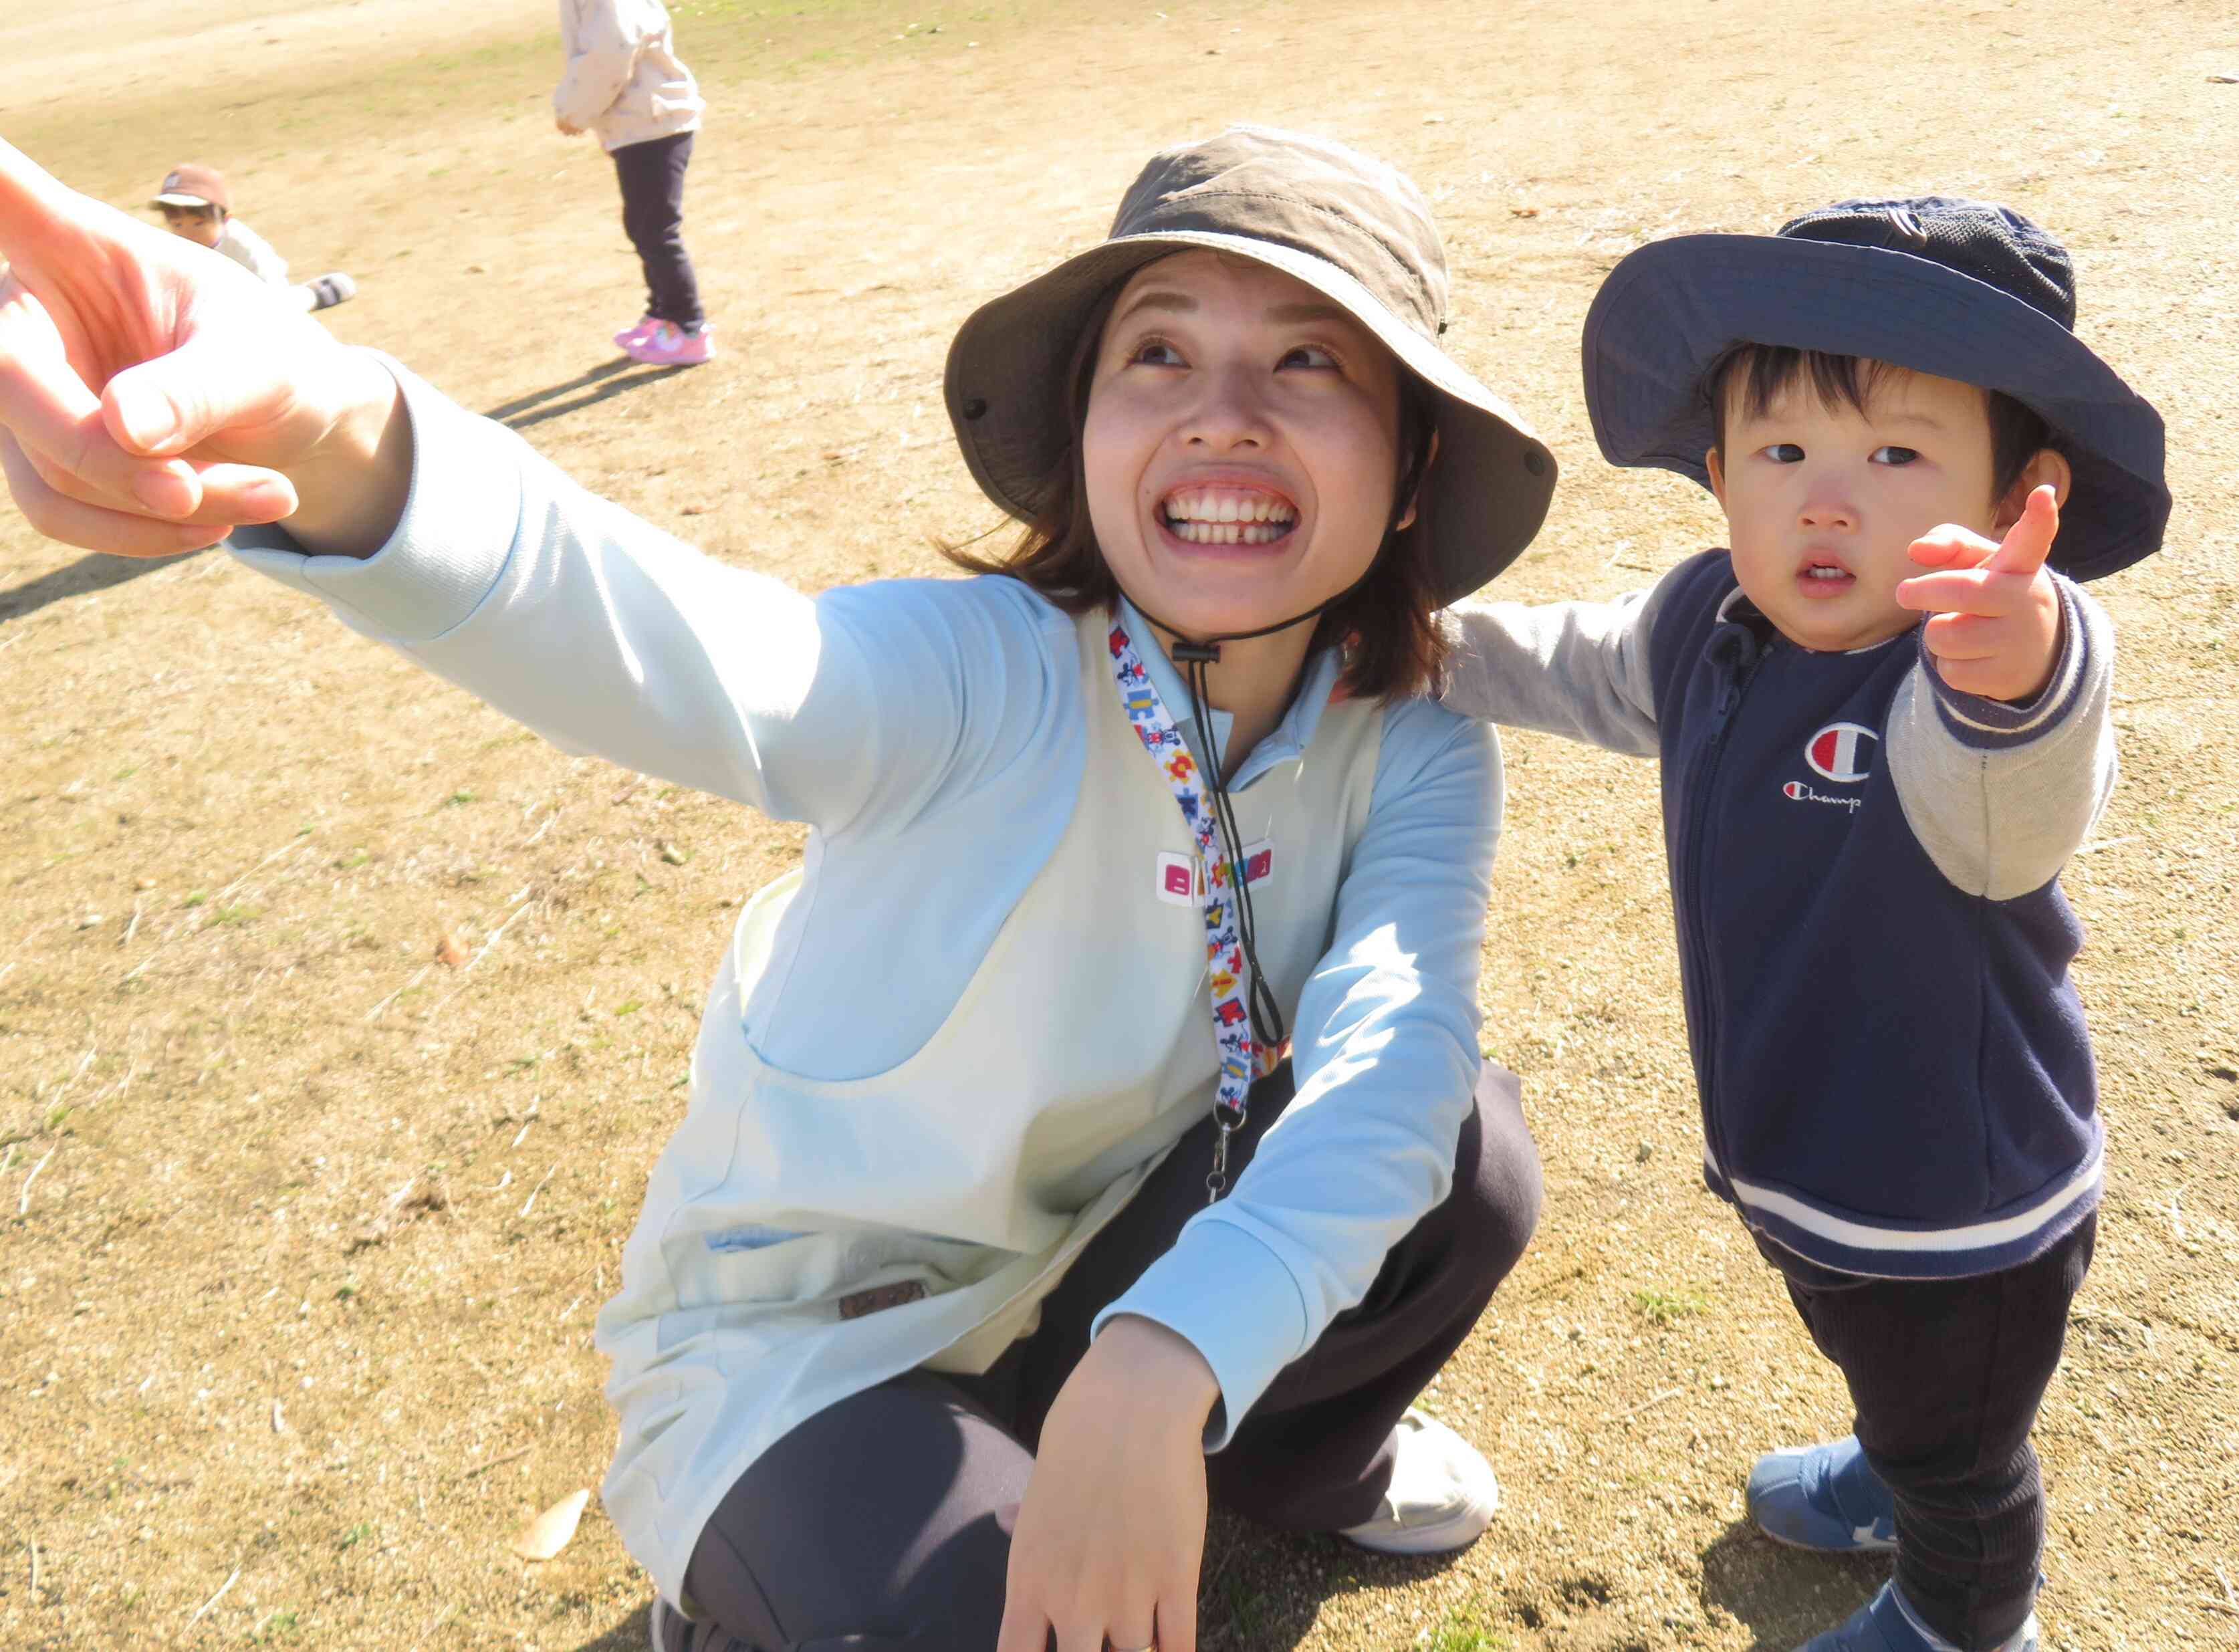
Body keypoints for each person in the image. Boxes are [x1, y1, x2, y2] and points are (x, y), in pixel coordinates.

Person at [0, 126, 1560, 1652]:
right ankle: (748, 1569)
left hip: (1108, 1266)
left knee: (1464, 1150)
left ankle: (1293, 1467)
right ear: (1084, 430)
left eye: (1310, 363)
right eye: (1156, 353)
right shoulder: (969, 674)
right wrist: (337, 429)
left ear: (1413, 462)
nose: (1222, 413)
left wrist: (1165, 1355)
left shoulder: (1411, 743)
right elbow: (692, 651)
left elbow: (1389, 1069)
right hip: (810, 1348)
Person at [1439, 199, 2169, 1652]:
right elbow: (1588, 663)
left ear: (2024, 489)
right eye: (1782, 454)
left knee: (1968, 1446)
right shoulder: (1713, 619)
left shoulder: (1956, 689)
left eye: (1899, 454)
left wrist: (2019, 655)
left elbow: (2012, 802)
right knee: (1878, 1361)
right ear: (1715, 474)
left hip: (1957, 1208)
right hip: (1811, 1162)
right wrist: (1426, 647)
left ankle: (1964, 1612)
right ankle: (1892, 1463)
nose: (1827, 501)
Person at [554, 0, 711, 367]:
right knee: (642, 227)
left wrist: (574, 110)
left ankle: (690, 328)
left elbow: (614, 49)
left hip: (652, 119)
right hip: (640, 121)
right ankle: (662, 314)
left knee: (657, 231)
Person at [148, 163, 356, 314]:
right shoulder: (174, 249)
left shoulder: (245, 246)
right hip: (212, 306)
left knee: (280, 310)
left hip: (256, 298)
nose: (188, 233)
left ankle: (313, 295)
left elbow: (271, 292)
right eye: (177, 225)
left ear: (226, 219)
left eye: (198, 223)